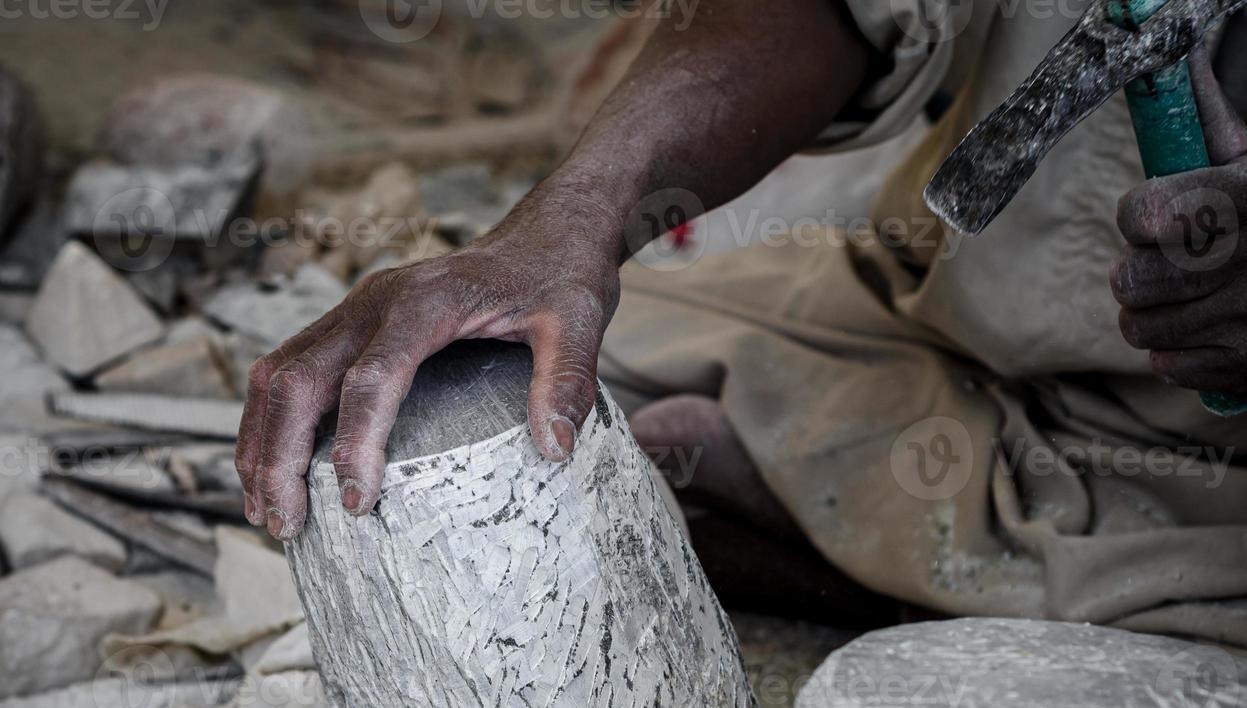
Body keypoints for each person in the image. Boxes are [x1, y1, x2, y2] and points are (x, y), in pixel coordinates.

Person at [236, 1, 1247, 646]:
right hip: (926, 303)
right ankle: (851, 527)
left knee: (1153, 621)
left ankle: (875, 566)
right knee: (506, 368)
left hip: (1199, 457)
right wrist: (570, 220)